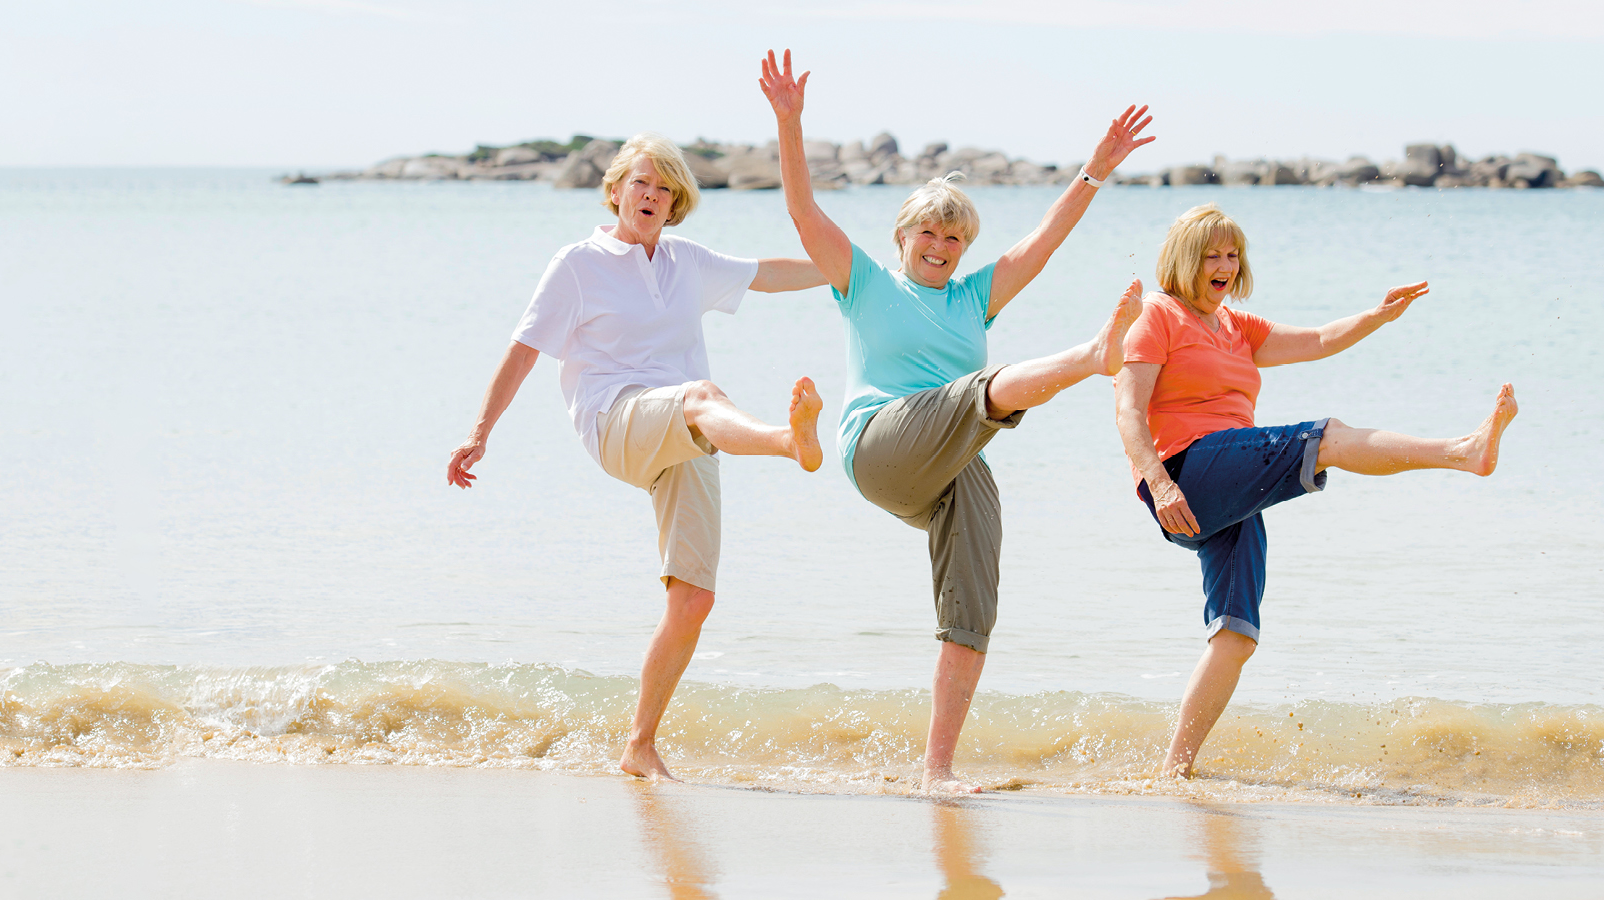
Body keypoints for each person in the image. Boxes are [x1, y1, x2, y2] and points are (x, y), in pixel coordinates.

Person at [759, 49, 1154, 793]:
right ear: (903, 237)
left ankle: (936, 770)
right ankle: (1092, 356)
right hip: (879, 444)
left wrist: (1096, 168)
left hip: (951, 461)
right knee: (982, 390)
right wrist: (790, 122)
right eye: (927, 236)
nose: (940, 249)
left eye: (953, 240)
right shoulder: (864, 282)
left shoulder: (974, 298)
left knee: (973, 609)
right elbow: (804, 213)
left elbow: (1044, 238)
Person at [446, 133, 829, 781]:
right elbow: (524, 351)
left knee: (694, 599)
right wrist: (481, 432)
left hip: (691, 435)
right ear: (616, 189)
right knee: (703, 394)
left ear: (676, 202)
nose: (650, 196)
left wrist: (855, 272)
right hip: (617, 420)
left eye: (664, 189)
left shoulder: (686, 261)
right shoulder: (578, 263)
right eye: (640, 184)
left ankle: (638, 746)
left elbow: (768, 275)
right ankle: (787, 442)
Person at [1114, 203, 1520, 777]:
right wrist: (1158, 483)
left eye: (1233, 254)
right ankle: (1461, 452)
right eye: (1213, 255)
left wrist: (1376, 315)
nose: (1225, 265)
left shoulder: (1235, 326)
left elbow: (1320, 339)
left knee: (1236, 634)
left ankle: (1173, 769)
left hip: (1230, 485)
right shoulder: (1157, 316)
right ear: (1185, 260)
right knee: (1324, 437)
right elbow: (1128, 410)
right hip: (1184, 472)